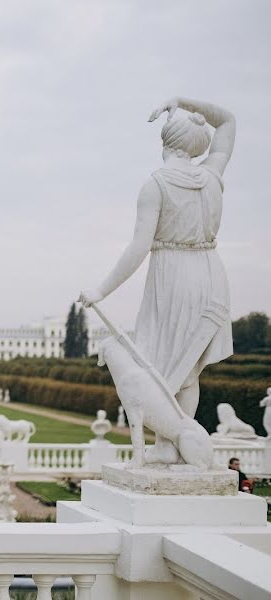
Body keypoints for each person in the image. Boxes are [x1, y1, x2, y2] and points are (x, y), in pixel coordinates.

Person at [81, 97, 236, 465]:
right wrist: (183, 100)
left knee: (161, 366)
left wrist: (101, 290)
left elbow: (139, 247)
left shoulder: (156, 185)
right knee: (186, 367)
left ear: (165, 142)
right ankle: (171, 445)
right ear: (197, 144)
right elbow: (227, 121)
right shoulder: (213, 175)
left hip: (173, 276)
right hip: (211, 274)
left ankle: (169, 446)